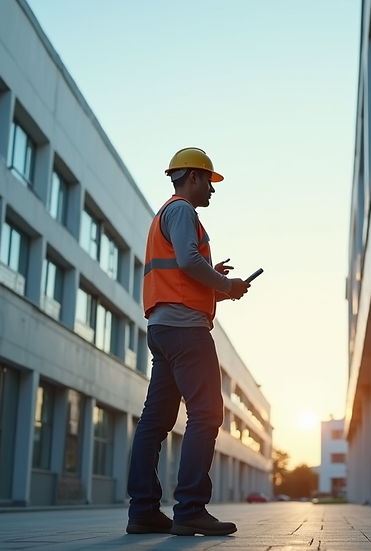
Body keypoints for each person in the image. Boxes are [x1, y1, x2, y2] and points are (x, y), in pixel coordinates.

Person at [126, 147, 250, 536]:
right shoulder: (181, 210)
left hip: (163, 328)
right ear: (192, 177)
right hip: (184, 330)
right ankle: (190, 508)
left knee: (155, 421)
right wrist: (226, 284)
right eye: (209, 182)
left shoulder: (164, 214)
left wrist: (215, 282)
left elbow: (184, 270)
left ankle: (143, 510)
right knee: (207, 413)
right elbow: (187, 262)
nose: (213, 190)